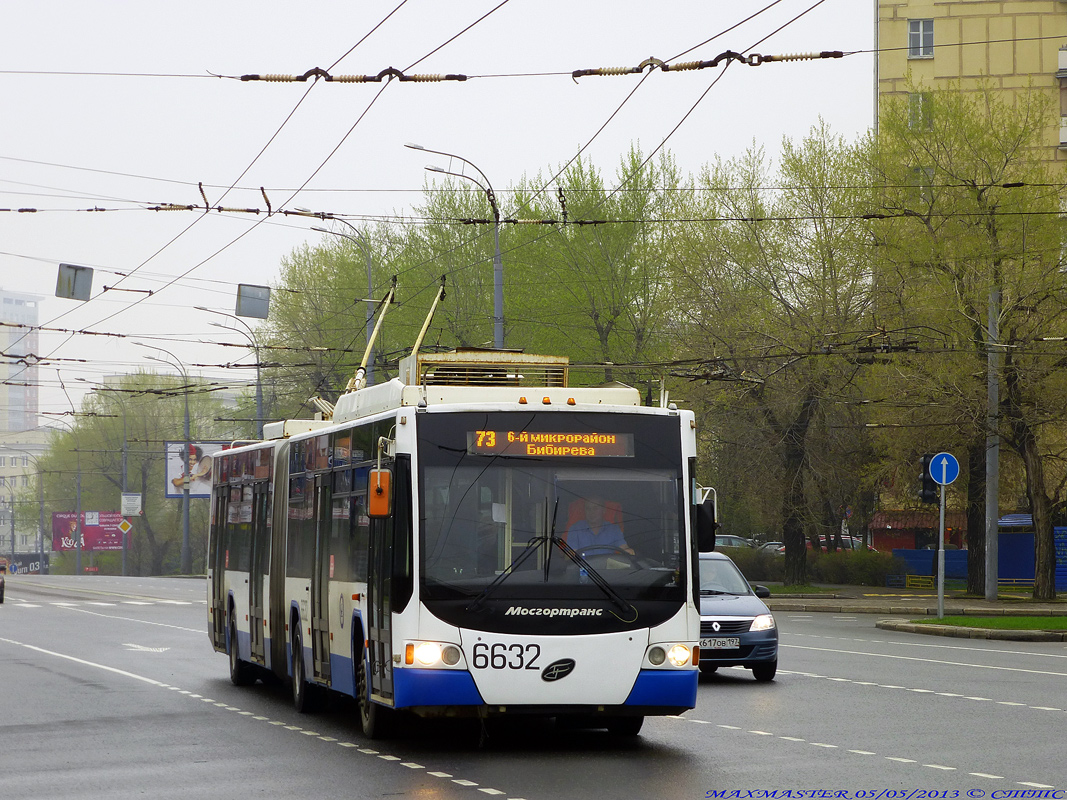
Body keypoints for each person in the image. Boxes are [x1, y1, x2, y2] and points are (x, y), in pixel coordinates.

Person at [566, 496, 634, 555]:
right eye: (588, 508)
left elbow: (623, 547)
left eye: (595, 508)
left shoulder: (613, 529)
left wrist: (628, 551)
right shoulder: (575, 529)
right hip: (582, 566)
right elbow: (570, 555)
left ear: (603, 510)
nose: (591, 512)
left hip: (607, 566)